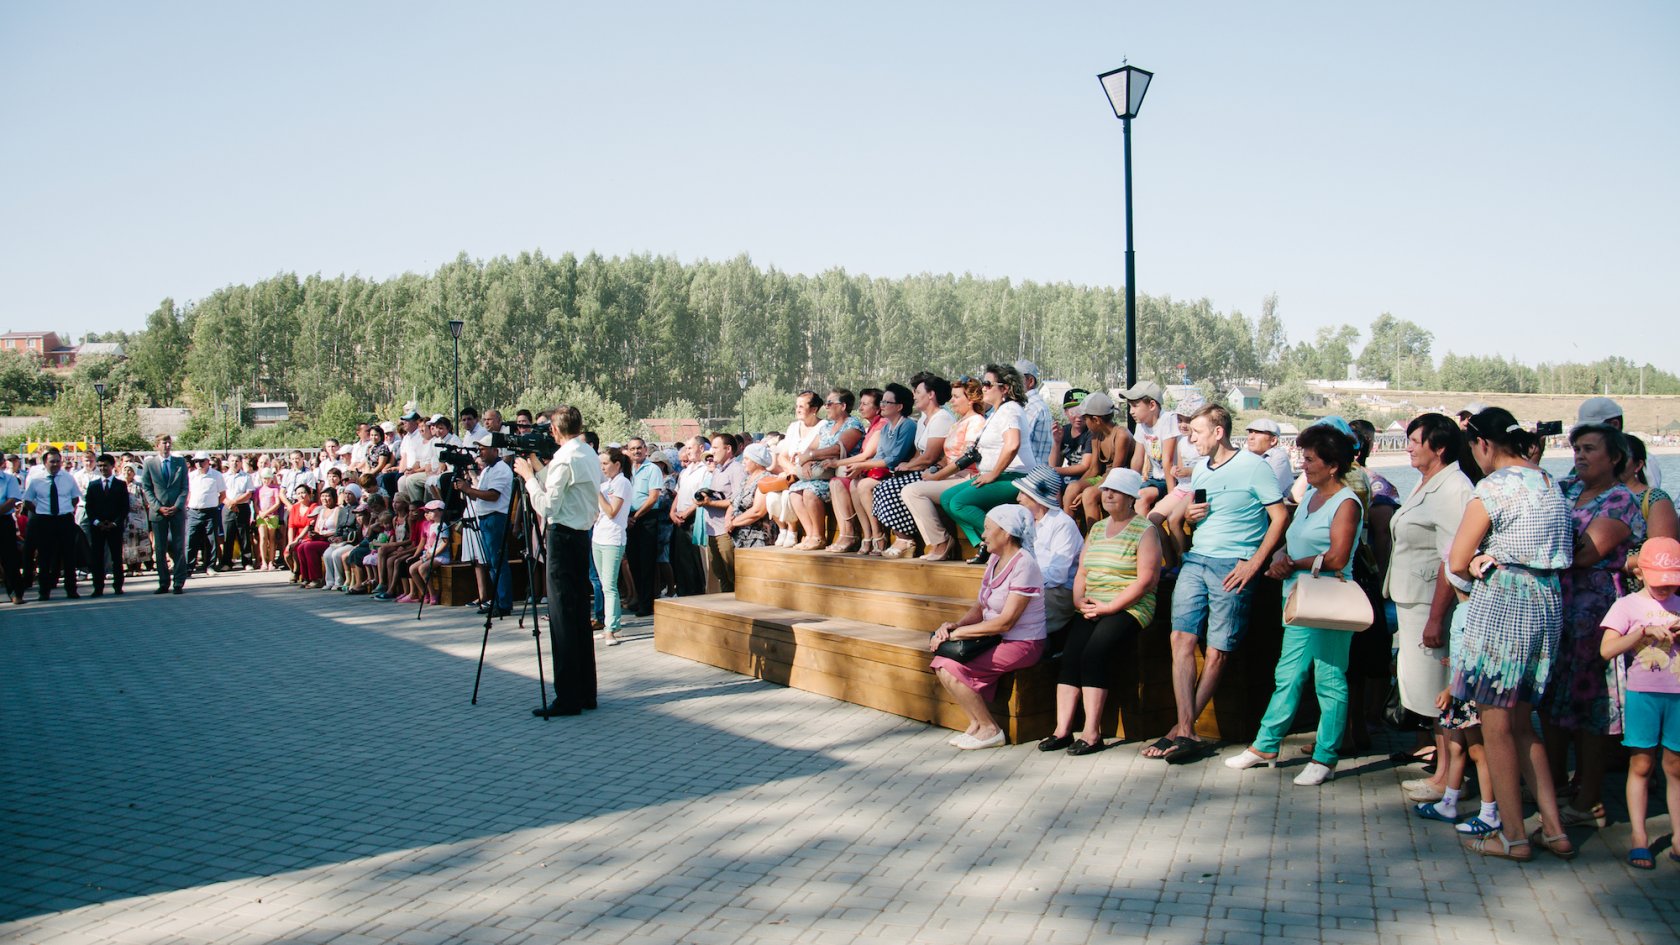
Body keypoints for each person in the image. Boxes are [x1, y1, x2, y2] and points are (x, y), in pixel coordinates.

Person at [1448, 406, 1575, 861]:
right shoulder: (1548, 482)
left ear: (1482, 444)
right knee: (1524, 723)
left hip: (1505, 602)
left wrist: (1480, 561)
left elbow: (1458, 559)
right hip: (1546, 599)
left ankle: (1514, 836)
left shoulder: (1493, 487)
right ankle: (1555, 831)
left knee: (1496, 723)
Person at [1141, 403, 1288, 762]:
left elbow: (1280, 516)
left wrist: (1254, 563)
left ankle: (1181, 731)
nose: (1191, 440)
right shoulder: (1203, 470)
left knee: (1220, 649)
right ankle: (1186, 729)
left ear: (1219, 432)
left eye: (1197, 433)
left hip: (1233, 564)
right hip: (1197, 559)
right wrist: (1188, 516)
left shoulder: (1255, 466)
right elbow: (1191, 516)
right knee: (1180, 637)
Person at [1226, 423, 1364, 786]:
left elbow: (1337, 557)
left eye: (1310, 458)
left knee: (1329, 679)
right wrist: (1282, 557)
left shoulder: (1346, 502)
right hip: (1299, 600)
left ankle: (1326, 756)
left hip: (1328, 602)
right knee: (1287, 674)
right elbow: (1296, 542)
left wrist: (1293, 563)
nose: (1304, 464)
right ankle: (1266, 744)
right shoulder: (1310, 498)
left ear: (1333, 465)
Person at [1542, 422, 1644, 829]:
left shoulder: (1620, 501)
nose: (1580, 456)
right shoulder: (1565, 488)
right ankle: (1551, 786)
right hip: (1556, 607)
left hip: (1594, 612)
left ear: (1615, 457)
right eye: (1576, 449)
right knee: (1550, 702)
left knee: (1591, 708)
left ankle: (1588, 800)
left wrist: (1544, 538)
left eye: (1589, 449)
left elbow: (1585, 554)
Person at [1384, 413, 1475, 803]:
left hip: (1429, 605)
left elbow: (1452, 558)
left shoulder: (1454, 487)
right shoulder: (1430, 482)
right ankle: (1443, 771)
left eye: (1415, 440)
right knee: (1427, 693)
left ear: (1438, 447)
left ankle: (1449, 778)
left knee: (1441, 694)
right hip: (1412, 601)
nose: (1408, 446)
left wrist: (1438, 616)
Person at [1041, 468, 1160, 755]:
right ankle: (1062, 730)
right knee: (1071, 654)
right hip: (1093, 604)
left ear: (1131, 498)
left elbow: (1146, 580)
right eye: (1106, 489)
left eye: (1115, 491)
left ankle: (1092, 733)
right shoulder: (1096, 528)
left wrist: (1111, 606)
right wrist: (1079, 600)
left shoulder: (1145, 530)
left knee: (1095, 653)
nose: (1107, 494)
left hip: (1128, 605)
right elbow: (1082, 570)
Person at [927, 504, 1048, 750]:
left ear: (1006, 533)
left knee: (947, 666)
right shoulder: (994, 559)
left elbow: (1007, 621)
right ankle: (976, 725)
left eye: (988, 529)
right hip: (995, 637)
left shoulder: (1025, 565)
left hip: (1022, 643)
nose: (983, 535)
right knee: (940, 662)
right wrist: (956, 625)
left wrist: (958, 634)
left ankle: (991, 729)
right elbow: (981, 605)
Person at [1597, 536, 1680, 870]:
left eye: (1671, 583)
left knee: (1675, 767)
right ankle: (1639, 837)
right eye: (1659, 582)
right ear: (1641, 573)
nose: (1665, 589)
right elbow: (1606, 650)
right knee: (1641, 764)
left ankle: (1677, 836)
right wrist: (1643, 632)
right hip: (1643, 694)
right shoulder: (1627, 605)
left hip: (1676, 695)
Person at [517, 404, 603, 717]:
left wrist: (528, 478)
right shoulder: (587, 453)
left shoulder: (566, 458)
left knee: (562, 619)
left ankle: (567, 695)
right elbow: (565, 485)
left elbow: (548, 506)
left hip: (564, 537)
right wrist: (537, 468)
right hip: (580, 536)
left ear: (555, 430)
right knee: (578, 615)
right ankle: (585, 691)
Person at [938, 364, 1036, 565]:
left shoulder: (1010, 410)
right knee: (947, 498)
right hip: (998, 474)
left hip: (1014, 477)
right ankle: (983, 545)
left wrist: (993, 474)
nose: (982, 387)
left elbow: (1012, 445)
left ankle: (1006, 542)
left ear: (1005, 388)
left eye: (987, 384)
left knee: (959, 503)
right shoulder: (996, 413)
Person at [834, 383, 917, 555]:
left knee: (864, 485)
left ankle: (879, 535)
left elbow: (894, 459)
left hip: (901, 472)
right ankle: (868, 534)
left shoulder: (908, 425)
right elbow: (880, 455)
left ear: (900, 406)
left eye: (887, 402)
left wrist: (860, 465)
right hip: (887, 471)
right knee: (855, 484)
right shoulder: (887, 427)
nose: (882, 405)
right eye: (882, 402)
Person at [787, 389, 867, 550]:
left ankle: (819, 537)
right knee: (794, 492)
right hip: (820, 473)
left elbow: (839, 449)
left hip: (838, 474)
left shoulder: (853, 425)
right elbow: (810, 449)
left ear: (843, 406)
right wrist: (807, 459)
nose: (826, 406)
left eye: (830, 403)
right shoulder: (827, 426)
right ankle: (810, 535)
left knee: (810, 492)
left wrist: (811, 455)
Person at [1012, 465, 1083, 636]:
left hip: (1058, 592)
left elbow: (1058, 576)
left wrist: (1024, 583)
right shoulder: (1027, 521)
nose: (1018, 498)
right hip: (1035, 586)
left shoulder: (1062, 524)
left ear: (1036, 497)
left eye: (1023, 493)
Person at [456, 434, 515, 617]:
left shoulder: (500, 470)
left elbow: (493, 495)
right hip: (486, 517)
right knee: (490, 562)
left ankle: (504, 602)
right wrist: (466, 489)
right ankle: (497, 599)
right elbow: (479, 494)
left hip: (495, 518)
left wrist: (468, 489)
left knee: (497, 561)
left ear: (494, 450)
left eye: (483, 449)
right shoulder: (488, 470)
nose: (480, 452)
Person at [1055, 391, 1134, 527]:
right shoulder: (1096, 435)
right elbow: (1094, 469)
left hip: (1119, 479)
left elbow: (1116, 472)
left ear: (1096, 420)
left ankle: (1094, 538)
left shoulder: (1121, 435)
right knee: (1072, 488)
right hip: (1103, 477)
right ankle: (1068, 532)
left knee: (1088, 495)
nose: (1084, 422)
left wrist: (1088, 490)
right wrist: (1079, 486)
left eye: (1086, 419)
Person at [764, 391, 825, 546]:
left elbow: (820, 454)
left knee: (789, 495)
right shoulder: (793, 427)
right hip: (793, 474)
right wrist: (793, 470)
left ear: (814, 409)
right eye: (796, 406)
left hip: (811, 475)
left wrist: (801, 466)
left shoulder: (823, 426)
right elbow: (782, 457)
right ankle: (784, 530)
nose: (797, 409)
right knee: (771, 497)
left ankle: (797, 532)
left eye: (801, 406)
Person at [21, 447, 81, 601]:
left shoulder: (68, 478)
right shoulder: (36, 480)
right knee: (44, 557)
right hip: (44, 520)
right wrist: (40, 510)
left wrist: (66, 509)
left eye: (57, 461)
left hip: (64, 519)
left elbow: (75, 498)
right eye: (52, 462)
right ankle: (44, 591)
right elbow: (27, 501)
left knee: (68, 556)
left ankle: (71, 589)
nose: (55, 464)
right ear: (45, 463)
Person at [139, 434, 190, 594]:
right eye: (164, 443)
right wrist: (158, 507)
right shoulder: (150, 464)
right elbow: (146, 488)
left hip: (177, 511)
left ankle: (179, 581)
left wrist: (177, 505)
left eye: (169, 443)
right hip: (158, 512)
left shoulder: (180, 462)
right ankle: (163, 582)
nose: (167, 446)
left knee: (178, 547)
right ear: (157, 446)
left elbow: (184, 487)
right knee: (160, 548)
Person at [592, 448, 633, 644]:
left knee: (609, 586)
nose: (602, 468)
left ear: (617, 464)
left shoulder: (622, 483)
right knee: (603, 584)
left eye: (605, 464)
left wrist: (597, 492)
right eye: (600, 464)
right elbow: (599, 513)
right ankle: (610, 624)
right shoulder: (607, 483)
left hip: (613, 539)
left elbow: (612, 512)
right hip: (599, 537)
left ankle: (611, 628)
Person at [1578, 395, 1660, 490]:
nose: (1585, 435)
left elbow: (1651, 500)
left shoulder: (1641, 460)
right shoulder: (1584, 459)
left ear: (1614, 425)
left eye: (1592, 430)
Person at [1122, 380, 1177, 515]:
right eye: (1130, 407)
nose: (1131, 412)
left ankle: (1145, 534)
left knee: (1141, 498)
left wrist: (1172, 498)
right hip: (1157, 479)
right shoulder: (1142, 424)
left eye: (1135, 406)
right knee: (1122, 495)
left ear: (1152, 405)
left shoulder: (1168, 420)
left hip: (1173, 479)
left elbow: (1168, 459)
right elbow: (1137, 459)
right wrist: (1130, 484)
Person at [698, 433, 744, 590]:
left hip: (726, 529)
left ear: (728, 449)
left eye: (716, 448)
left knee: (733, 574)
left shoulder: (737, 469)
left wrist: (711, 502)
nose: (712, 451)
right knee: (721, 574)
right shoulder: (717, 470)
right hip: (712, 529)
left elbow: (737, 500)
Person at [668, 437, 710, 596]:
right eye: (686, 449)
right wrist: (672, 512)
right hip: (679, 519)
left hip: (693, 519)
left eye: (690, 448)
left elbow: (702, 496)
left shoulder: (705, 469)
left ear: (700, 448)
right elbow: (678, 493)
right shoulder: (685, 471)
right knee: (680, 560)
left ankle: (695, 593)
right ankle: (683, 592)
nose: (688, 452)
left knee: (694, 562)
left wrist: (686, 513)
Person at [82, 453, 129, 596]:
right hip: (98, 527)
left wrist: (115, 523)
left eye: (105, 466)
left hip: (115, 527)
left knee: (116, 557)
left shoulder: (120, 485)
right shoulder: (93, 485)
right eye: (100, 466)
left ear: (112, 466)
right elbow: (89, 507)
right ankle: (98, 587)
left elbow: (124, 507)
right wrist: (97, 522)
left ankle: (118, 586)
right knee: (97, 557)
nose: (103, 468)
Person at [398, 499, 452, 604]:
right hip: (429, 555)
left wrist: (432, 554)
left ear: (440, 511)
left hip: (440, 556)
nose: (427, 514)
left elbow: (445, 543)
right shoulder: (431, 526)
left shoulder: (443, 526)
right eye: (426, 512)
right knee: (412, 569)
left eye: (430, 511)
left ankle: (433, 594)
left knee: (422, 569)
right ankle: (424, 593)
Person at [723, 443, 774, 549]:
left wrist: (733, 522)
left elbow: (758, 511)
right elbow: (733, 502)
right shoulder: (746, 480)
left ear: (757, 461)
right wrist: (728, 519)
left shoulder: (766, 479)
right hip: (740, 539)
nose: (743, 462)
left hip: (758, 540)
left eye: (747, 459)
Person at [184, 452, 226, 575]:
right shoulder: (191, 476)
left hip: (210, 511)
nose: (199, 464)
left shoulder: (217, 475)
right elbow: (187, 493)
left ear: (208, 461)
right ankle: (188, 567)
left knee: (211, 540)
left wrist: (214, 505)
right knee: (191, 540)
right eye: (196, 461)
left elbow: (222, 494)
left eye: (202, 461)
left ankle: (210, 566)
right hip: (193, 511)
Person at [1244, 418, 1295, 497]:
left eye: (1258, 433)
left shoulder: (1278, 457)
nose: (1251, 437)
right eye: (1250, 432)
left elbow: (1268, 490)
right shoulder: (1246, 457)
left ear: (1273, 440)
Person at [120, 461, 152, 577]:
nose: (127, 472)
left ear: (134, 473)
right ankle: (129, 568)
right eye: (125, 470)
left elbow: (146, 501)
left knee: (140, 542)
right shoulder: (120, 485)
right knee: (127, 543)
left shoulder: (139, 485)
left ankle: (138, 567)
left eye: (130, 470)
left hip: (139, 517)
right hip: (125, 518)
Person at [0, 461, 21, 604]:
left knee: (9, 558)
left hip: (3, 520)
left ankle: (15, 593)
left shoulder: (9, 479)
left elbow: (12, 499)